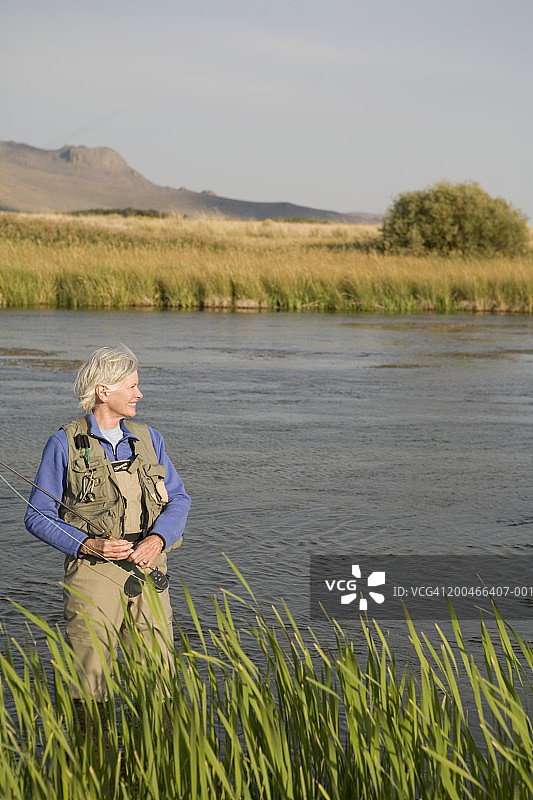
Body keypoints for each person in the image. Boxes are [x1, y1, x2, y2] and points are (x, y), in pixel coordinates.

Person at [24, 344, 191, 701]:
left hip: (149, 569)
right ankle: (89, 737)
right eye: (131, 386)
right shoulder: (63, 443)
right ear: (103, 391)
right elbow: (37, 515)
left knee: (159, 685)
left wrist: (158, 540)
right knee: (90, 683)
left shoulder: (150, 439)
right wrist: (87, 544)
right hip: (93, 572)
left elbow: (179, 500)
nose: (139, 393)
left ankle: (154, 737)